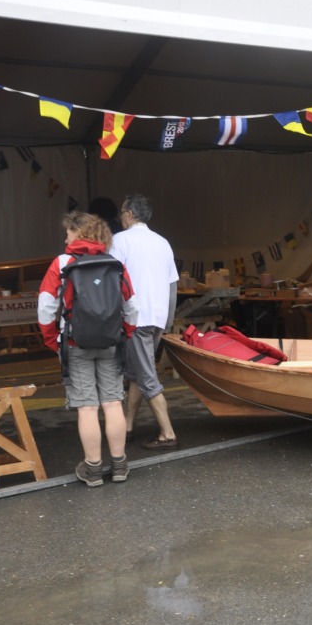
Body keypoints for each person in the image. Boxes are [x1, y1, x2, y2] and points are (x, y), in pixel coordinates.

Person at [38, 212, 138, 485]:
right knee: (113, 402)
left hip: (74, 343)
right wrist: (125, 333)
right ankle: (119, 466)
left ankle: (93, 469)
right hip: (110, 341)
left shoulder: (62, 263)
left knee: (88, 408)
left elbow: (46, 305)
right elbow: (132, 306)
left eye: (68, 232)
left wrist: (52, 339)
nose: (65, 237)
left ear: (79, 233)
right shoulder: (115, 264)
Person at [110, 193, 180, 450]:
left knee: (147, 376)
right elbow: (173, 285)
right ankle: (127, 425)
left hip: (135, 318)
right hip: (158, 317)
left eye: (122, 213)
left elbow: (113, 280)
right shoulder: (163, 242)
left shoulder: (120, 240)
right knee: (138, 372)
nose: (120, 218)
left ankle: (168, 432)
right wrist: (168, 320)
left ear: (129, 214)